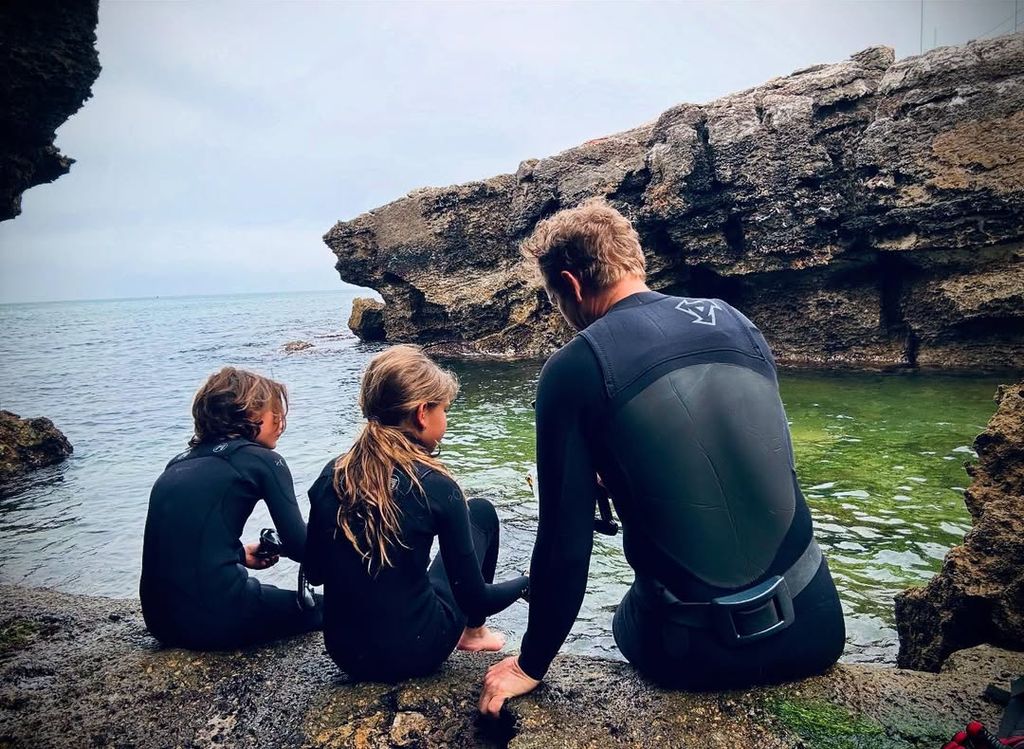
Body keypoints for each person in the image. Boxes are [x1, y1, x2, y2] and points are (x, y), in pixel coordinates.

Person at [479, 199, 845, 716]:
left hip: (695, 654)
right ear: (634, 261)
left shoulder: (576, 365)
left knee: (624, 616)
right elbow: (753, 458)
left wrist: (530, 664)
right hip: (817, 625)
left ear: (572, 284)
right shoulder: (735, 321)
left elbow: (565, 546)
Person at [304, 345, 528, 682]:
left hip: (346, 653)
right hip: (415, 652)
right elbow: (475, 597)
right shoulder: (436, 485)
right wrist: (528, 583)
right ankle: (475, 634)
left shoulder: (331, 475)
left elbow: (316, 573)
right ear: (423, 413)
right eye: (445, 409)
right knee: (480, 512)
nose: (446, 419)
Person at [140, 366, 322, 650]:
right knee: (328, 607)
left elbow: (178, 548)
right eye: (276, 413)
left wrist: (237, 554)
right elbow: (305, 550)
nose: (281, 421)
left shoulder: (178, 462)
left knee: (268, 594)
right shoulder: (263, 460)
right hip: (216, 618)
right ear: (251, 415)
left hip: (160, 622)